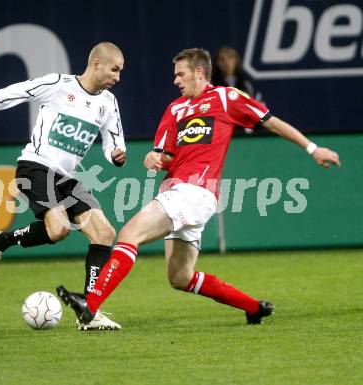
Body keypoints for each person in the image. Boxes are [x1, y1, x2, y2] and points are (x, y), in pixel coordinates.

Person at [56, 48, 340, 327]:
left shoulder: (226, 98)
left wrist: (313, 148)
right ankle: (254, 308)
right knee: (180, 277)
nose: (175, 81)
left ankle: (90, 305)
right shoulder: (175, 109)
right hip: (177, 192)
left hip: (194, 193)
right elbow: (167, 156)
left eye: (180, 74)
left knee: (129, 234)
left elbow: (271, 122)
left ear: (199, 72)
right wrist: (155, 158)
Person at [0, 42, 127, 331]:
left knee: (104, 232)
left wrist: (115, 153)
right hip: (35, 167)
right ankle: (0, 241)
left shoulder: (108, 102)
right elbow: (11, 93)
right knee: (59, 230)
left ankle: (90, 309)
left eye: (121, 71)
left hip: (66, 177)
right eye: (114, 69)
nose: (117, 77)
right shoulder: (57, 84)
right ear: (96, 64)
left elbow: (113, 140)